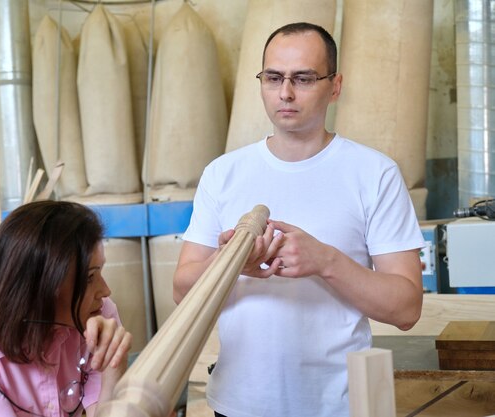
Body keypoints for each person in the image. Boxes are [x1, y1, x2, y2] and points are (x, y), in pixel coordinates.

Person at [173, 22, 424, 417]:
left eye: (303, 78)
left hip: (338, 406)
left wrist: (326, 261)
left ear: (335, 86)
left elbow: (407, 308)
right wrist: (233, 264)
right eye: (273, 77)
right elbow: (182, 288)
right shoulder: (223, 173)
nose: (285, 92)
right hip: (239, 404)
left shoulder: (374, 173)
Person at [0, 201, 132, 416]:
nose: (105, 290)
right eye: (89, 277)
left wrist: (114, 366)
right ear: (40, 285)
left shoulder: (96, 315)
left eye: (99, 272)